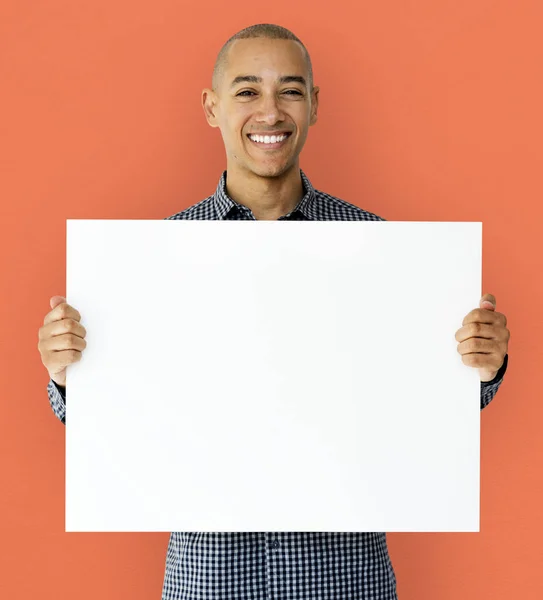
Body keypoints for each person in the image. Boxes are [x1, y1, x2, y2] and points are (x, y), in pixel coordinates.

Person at [37, 23, 510, 600]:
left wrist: (482, 367)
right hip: (207, 580)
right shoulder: (153, 259)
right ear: (211, 108)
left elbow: (428, 409)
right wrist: (68, 373)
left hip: (345, 580)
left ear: (313, 105)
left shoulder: (380, 249)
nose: (270, 111)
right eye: (246, 92)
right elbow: (116, 421)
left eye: (289, 90)